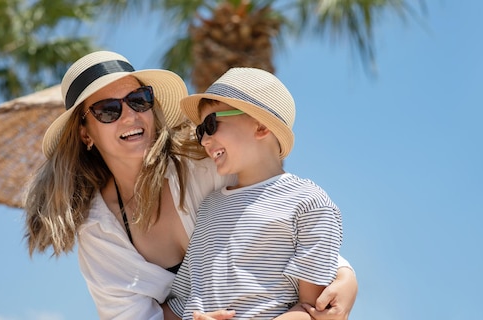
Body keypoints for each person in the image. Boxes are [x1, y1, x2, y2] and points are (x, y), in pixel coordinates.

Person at [23, 50, 358, 320]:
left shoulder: (205, 164)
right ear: (85, 133)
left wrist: (345, 276)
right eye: (108, 110)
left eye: (139, 100)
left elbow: (281, 224)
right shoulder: (99, 231)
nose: (129, 116)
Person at [166, 67, 345, 320]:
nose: (204, 140)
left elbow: (313, 310)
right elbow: (183, 301)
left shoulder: (309, 203)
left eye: (211, 124)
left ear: (260, 126)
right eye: (200, 131)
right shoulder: (209, 205)